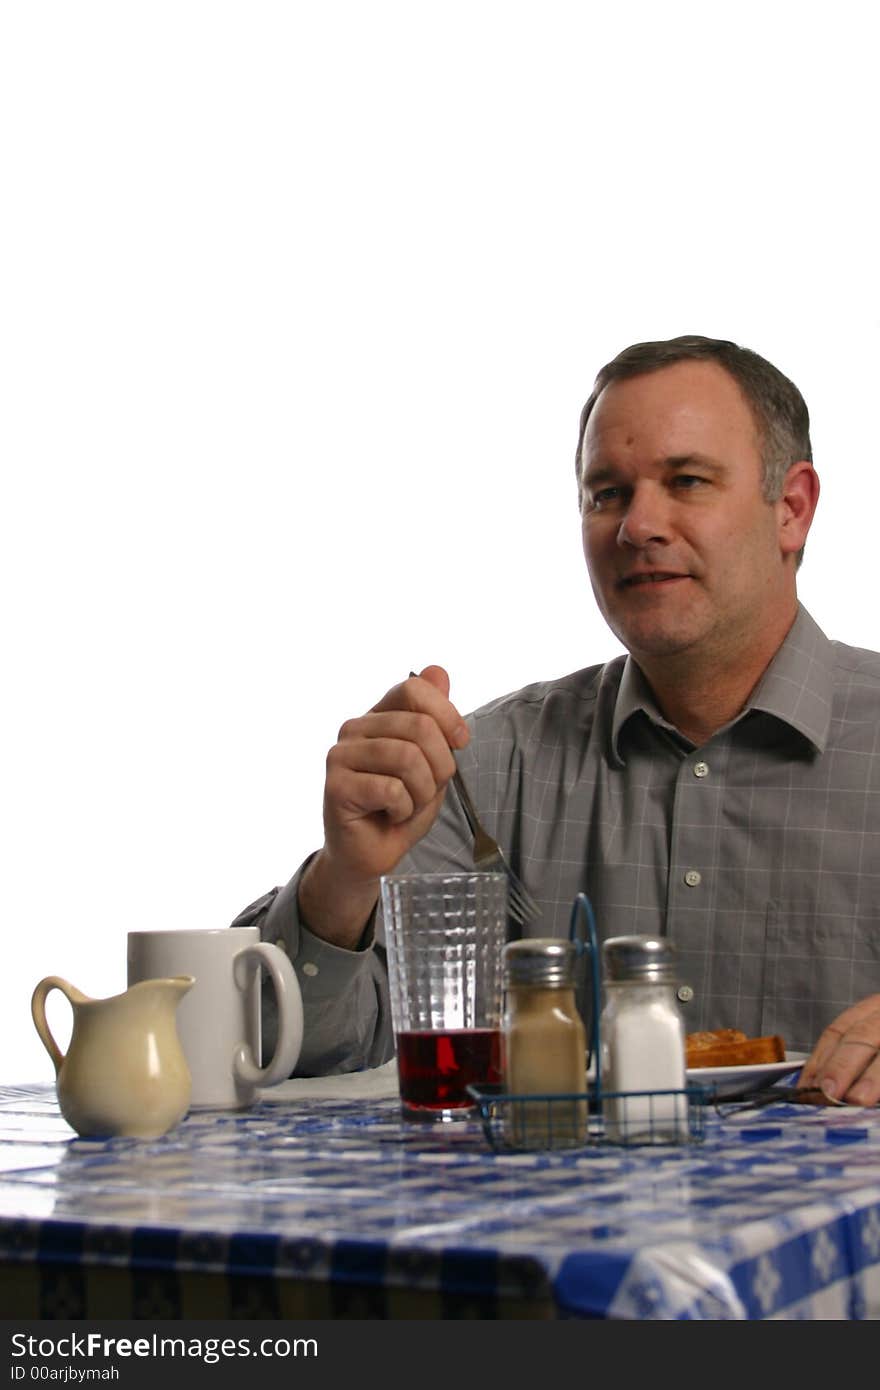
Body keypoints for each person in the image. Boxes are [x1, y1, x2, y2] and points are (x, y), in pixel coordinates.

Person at [233, 334, 880, 1106]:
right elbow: (292, 1049)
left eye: (687, 480)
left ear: (793, 509)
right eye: (606, 493)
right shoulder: (484, 770)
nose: (638, 525)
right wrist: (345, 879)